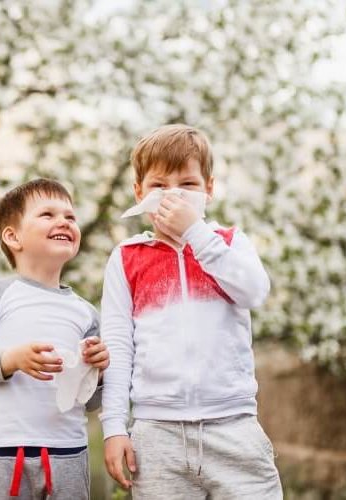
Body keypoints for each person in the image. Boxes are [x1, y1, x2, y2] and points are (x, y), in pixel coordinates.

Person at [100, 124, 283, 499]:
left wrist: (197, 234)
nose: (173, 196)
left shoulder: (229, 244)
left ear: (209, 189)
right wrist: (114, 427)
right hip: (157, 433)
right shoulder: (126, 258)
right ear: (139, 192)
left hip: (234, 428)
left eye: (187, 185)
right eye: (159, 186)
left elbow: (254, 291)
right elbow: (117, 348)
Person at [0, 178, 110, 500]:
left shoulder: (86, 312)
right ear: (13, 236)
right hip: (2, 457)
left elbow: (91, 401)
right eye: (48, 214)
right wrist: (12, 360)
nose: (64, 221)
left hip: (68, 456)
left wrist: (100, 372)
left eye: (70, 216)